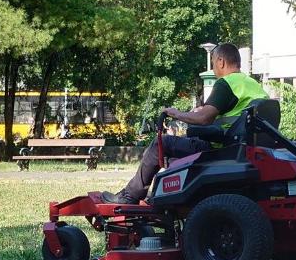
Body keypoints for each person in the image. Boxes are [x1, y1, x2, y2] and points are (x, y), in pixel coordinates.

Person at [102, 43, 269, 204]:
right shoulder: (253, 85)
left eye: (213, 64)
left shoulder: (226, 83)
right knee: (175, 159)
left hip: (221, 150)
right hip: (242, 150)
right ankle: (160, 196)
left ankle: (129, 196)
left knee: (162, 143)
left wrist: (176, 113)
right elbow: (231, 114)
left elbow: (204, 118)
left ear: (221, 61)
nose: (214, 69)